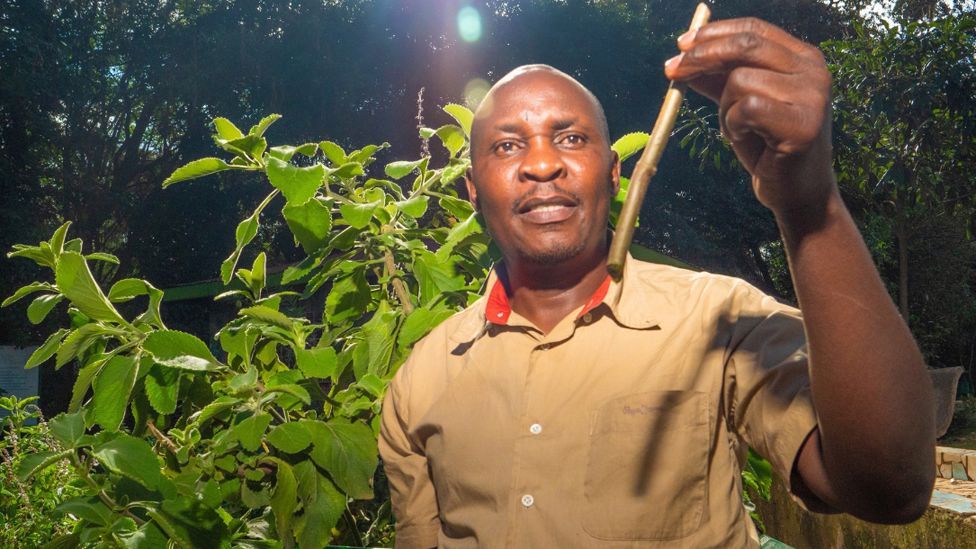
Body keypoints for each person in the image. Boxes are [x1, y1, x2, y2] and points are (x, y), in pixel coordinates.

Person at [379, 17, 936, 548]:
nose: (543, 164)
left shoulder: (720, 320)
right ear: (473, 191)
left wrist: (809, 206)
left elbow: (890, 488)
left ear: (614, 174)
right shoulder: (420, 382)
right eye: (507, 145)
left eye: (571, 138)